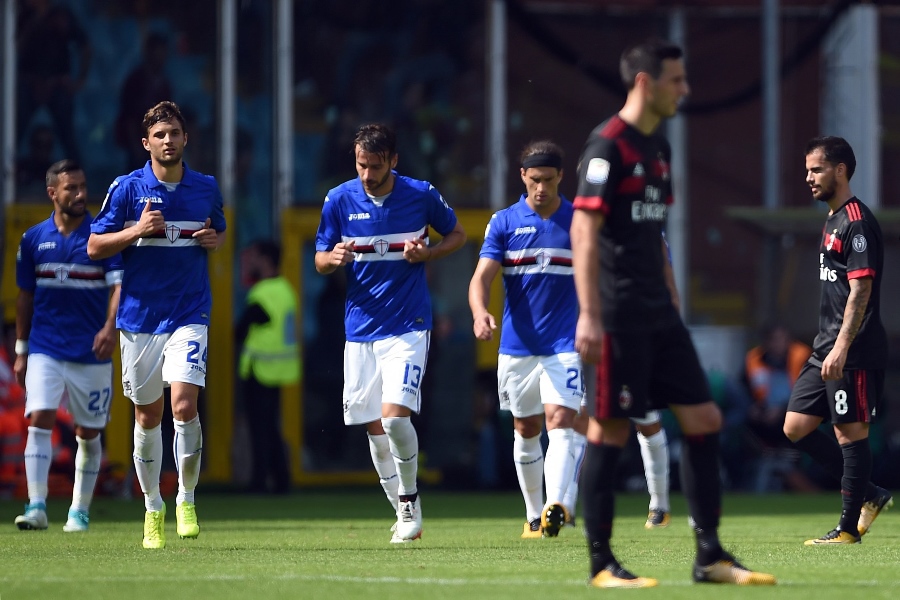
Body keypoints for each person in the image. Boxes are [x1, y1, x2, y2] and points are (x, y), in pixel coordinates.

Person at [570, 39, 776, 588]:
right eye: (677, 80)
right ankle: (600, 565)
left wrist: (672, 297)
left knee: (704, 418)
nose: (686, 90)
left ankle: (710, 556)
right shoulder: (604, 147)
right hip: (618, 315)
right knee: (610, 431)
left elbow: (652, 234)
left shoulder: (659, 149)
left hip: (661, 315)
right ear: (645, 82)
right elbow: (583, 231)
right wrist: (589, 314)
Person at [468, 140, 671, 539]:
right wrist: (480, 312)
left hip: (567, 344)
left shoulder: (582, 220)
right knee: (525, 429)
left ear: (562, 176)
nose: (540, 188)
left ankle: (556, 503)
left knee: (561, 420)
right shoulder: (504, 223)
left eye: (548, 179)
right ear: (522, 177)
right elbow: (481, 279)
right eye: (533, 180)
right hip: (517, 346)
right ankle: (531, 515)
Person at [314, 123, 466, 543]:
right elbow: (319, 259)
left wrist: (429, 252)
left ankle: (410, 502)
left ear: (393, 161)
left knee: (395, 418)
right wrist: (334, 258)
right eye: (362, 165)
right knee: (373, 427)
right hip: (361, 328)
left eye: (376, 166)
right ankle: (402, 509)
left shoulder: (420, 194)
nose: (367, 174)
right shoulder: (339, 200)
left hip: (408, 324)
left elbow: (458, 233)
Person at [87, 101, 226, 549]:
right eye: (160, 135)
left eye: (175, 133)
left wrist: (212, 240)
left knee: (184, 406)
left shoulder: (205, 187)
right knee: (148, 416)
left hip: (189, 312)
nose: (169, 140)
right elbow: (93, 247)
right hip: (140, 317)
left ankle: (185, 498)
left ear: (186, 139)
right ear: (146, 143)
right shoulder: (127, 189)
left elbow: (217, 231)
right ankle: (152, 508)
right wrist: (136, 232)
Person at [782, 136, 893, 544]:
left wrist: (843, 348)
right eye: (808, 169)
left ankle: (847, 529)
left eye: (816, 169)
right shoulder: (831, 219)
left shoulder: (857, 222)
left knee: (850, 433)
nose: (808, 177)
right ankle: (870, 493)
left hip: (854, 350)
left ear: (840, 170)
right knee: (795, 427)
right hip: (823, 347)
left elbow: (861, 291)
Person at [13, 159, 122, 532]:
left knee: (87, 433)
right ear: (52, 193)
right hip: (45, 347)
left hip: (91, 353)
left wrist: (111, 327)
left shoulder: (100, 237)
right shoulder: (32, 240)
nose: (79, 194)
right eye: (71, 188)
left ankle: (79, 510)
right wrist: (21, 348)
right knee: (39, 418)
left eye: (82, 186)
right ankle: (37, 505)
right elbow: (25, 296)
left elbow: (118, 288)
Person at [236, 240, 301, 494]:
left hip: (261, 368)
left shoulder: (263, 293)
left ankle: (260, 481)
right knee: (271, 427)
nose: (250, 263)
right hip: (279, 369)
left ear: (266, 261)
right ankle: (281, 480)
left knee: (260, 429)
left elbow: (241, 329)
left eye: (255, 257)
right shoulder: (286, 289)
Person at [115, 32, 174, 168]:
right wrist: (136, 146)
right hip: (137, 142)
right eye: (158, 52)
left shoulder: (165, 84)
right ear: (149, 53)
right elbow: (129, 117)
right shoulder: (135, 81)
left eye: (163, 52)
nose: (161, 57)